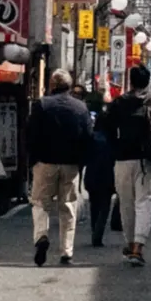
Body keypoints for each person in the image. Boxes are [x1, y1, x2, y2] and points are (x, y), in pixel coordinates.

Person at [27, 73, 92, 267]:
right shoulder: (80, 107)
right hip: (71, 164)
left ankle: (41, 236)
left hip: (45, 162)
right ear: (70, 86)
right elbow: (88, 136)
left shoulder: (42, 105)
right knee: (68, 206)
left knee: (40, 202)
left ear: (51, 84)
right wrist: (81, 161)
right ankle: (66, 251)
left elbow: (30, 133)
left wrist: (33, 159)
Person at [109, 65, 151, 265]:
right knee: (144, 202)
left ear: (131, 80)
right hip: (148, 160)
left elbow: (105, 128)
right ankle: (138, 247)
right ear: (147, 81)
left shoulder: (119, 103)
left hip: (122, 159)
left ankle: (129, 243)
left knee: (126, 203)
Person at [84, 96, 117, 249]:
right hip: (107, 176)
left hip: (91, 175)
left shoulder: (91, 138)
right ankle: (97, 235)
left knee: (94, 205)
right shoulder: (112, 141)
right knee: (104, 207)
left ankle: (94, 231)